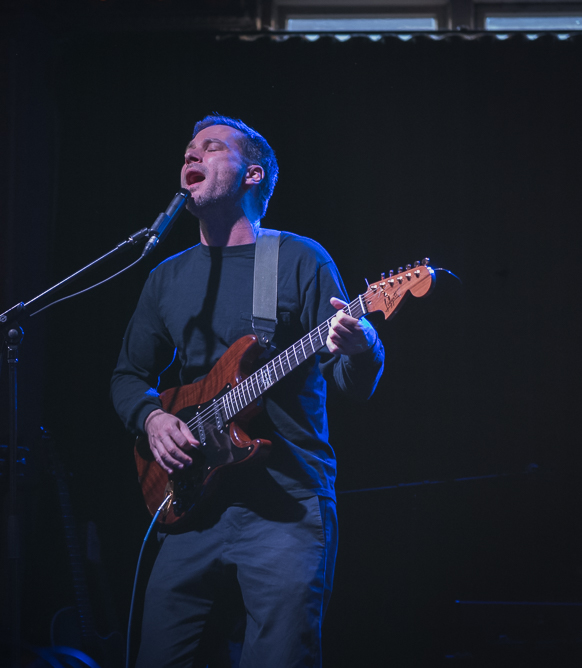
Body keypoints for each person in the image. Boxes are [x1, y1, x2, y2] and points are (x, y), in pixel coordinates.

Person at [110, 115, 385, 667]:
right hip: (191, 504)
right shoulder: (166, 277)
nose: (191, 156)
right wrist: (153, 419)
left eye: (211, 147)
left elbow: (348, 383)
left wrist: (365, 347)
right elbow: (128, 377)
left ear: (252, 175)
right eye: (188, 150)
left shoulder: (300, 259)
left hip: (286, 505)